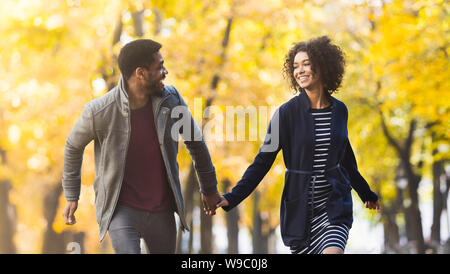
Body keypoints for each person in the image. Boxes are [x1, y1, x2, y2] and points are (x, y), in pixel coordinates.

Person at [216, 36, 380, 254]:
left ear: (322, 66)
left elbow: (346, 159)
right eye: (295, 66)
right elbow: (262, 161)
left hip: (333, 208)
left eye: (306, 64)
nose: (299, 70)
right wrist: (231, 197)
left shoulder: (340, 111)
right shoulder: (286, 114)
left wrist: (365, 192)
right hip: (300, 212)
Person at [62, 39, 221, 254]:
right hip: (122, 211)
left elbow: (195, 142)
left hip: (162, 210)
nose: (165, 72)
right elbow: (73, 145)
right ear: (140, 73)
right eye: (159, 67)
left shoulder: (171, 100)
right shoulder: (100, 111)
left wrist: (209, 188)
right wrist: (72, 194)